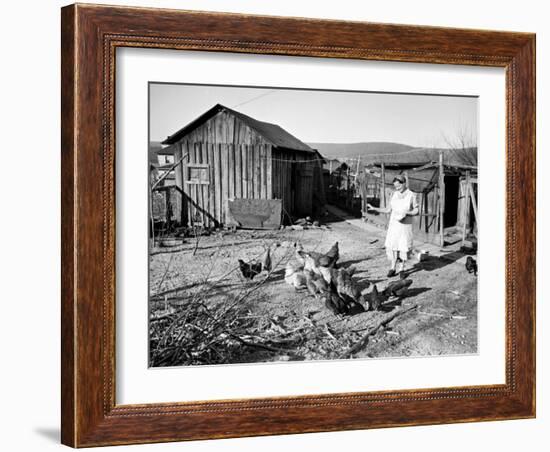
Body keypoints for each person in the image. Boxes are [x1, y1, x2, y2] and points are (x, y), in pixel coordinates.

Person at [367, 175, 419, 277]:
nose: (397, 188)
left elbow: (416, 210)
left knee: (403, 246)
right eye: (395, 187)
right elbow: (387, 210)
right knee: (393, 246)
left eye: (399, 186)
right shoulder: (394, 194)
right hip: (394, 225)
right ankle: (392, 267)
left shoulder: (411, 195)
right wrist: (374, 208)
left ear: (404, 183)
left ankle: (402, 269)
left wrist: (408, 213)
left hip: (405, 225)